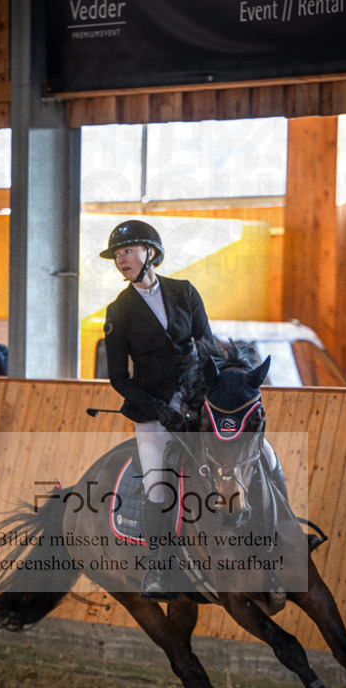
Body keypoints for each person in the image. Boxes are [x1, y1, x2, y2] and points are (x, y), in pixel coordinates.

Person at [100, 219, 214, 599]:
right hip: (153, 411)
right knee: (157, 487)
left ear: (150, 253)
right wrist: (159, 410)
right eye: (117, 255)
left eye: (127, 251)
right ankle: (160, 568)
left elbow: (207, 347)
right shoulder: (118, 311)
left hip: (196, 400)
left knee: (241, 454)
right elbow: (119, 377)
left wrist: (201, 396)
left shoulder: (184, 292)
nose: (121, 260)